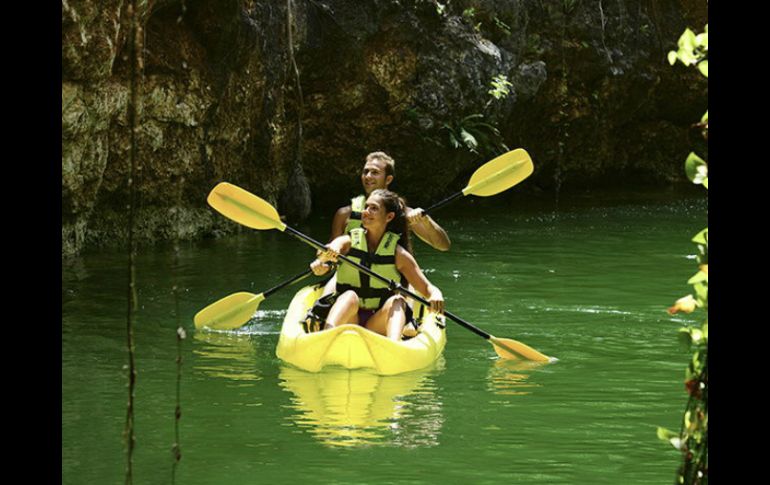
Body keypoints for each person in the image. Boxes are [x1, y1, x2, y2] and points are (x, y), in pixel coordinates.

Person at [309, 189, 445, 341]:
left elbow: (427, 288)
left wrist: (435, 294)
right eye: (366, 207)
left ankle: (393, 346)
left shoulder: (398, 254)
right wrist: (324, 260)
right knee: (349, 296)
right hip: (349, 318)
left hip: (376, 323)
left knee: (397, 300)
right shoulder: (349, 241)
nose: (366, 212)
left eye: (373, 208)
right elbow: (332, 247)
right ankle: (325, 338)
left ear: (389, 217)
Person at [330, 151, 451, 251]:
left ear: (388, 179)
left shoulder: (403, 213)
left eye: (375, 172)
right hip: (351, 278)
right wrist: (325, 264)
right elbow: (330, 255)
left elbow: (443, 246)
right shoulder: (344, 214)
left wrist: (426, 221)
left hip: (388, 278)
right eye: (365, 171)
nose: (368, 176)